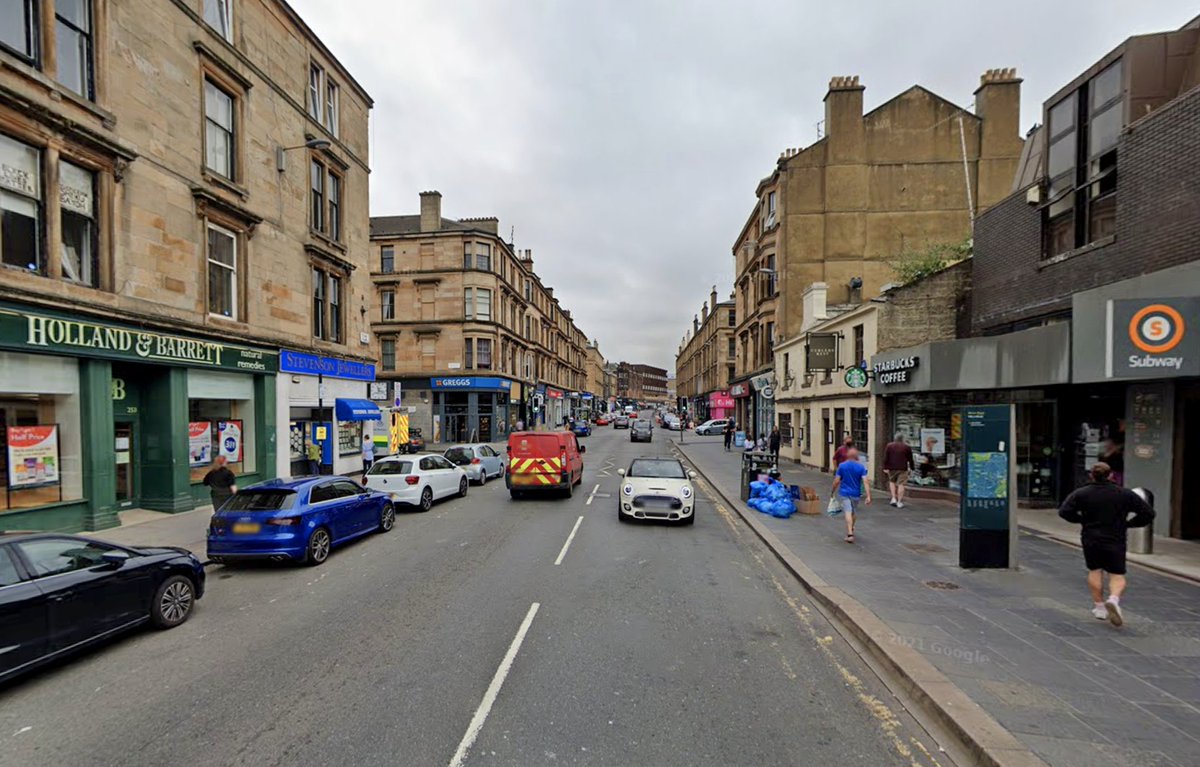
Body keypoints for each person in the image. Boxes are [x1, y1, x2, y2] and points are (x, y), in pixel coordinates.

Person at [1057, 462, 1154, 626]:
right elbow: (1148, 513)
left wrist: (1082, 520)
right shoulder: (1124, 494)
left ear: (1091, 475)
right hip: (1115, 537)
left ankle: (1099, 607)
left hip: (1090, 537)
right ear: (1111, 476)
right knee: (1117, 574)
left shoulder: (1081, 493)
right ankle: (1114, 599)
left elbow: (1064, 512)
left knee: (1095, 570)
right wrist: (1129, 524)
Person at [830, 447, 871, 543]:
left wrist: (832, 491)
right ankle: (851, 529)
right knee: (853, 512)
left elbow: (836, 481)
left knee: (848, 512)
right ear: (856, 457)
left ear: (847, 456)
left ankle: (850, 534)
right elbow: (865, 481)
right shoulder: (860, 467)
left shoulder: (842, 466)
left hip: (845, 492)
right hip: (856, 493)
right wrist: (868, 496)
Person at [882, 432, 915, 508]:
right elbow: (910, 459)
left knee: (892, 481)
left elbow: (886, 457)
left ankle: (893, 498)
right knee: (901, 484)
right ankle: (899, 501)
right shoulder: (907, 447)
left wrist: (885, 467)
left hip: (891, 467)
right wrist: (912, 468)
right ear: (903, 439)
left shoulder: (889, 446)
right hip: (903, 467)